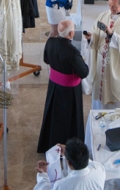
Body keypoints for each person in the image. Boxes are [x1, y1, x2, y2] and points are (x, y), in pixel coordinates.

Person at [37, 20, 90, 153]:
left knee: (53, 116)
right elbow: (83, 72)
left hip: (54, 86)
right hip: (69, 91)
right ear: (72, 33)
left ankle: (49, 143)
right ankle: (72, 148)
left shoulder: (50, 42)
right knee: (69, 120)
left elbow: (46, 59)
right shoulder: (72, 52)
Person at [34, 138, 105, 189]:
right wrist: (68, 153)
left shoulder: (61, 186)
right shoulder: (99, 169)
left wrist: (43, 176)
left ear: (69, 163)